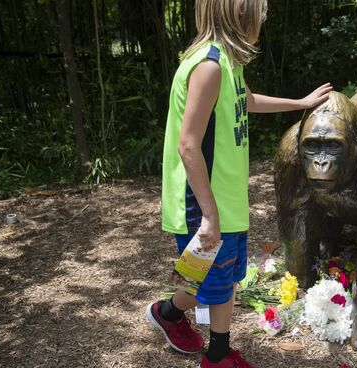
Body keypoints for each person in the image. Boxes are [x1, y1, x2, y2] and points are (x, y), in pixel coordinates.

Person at [145, 1, 332, 367]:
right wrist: (210, 214)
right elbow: (188, 144)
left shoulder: (228, 64)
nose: (263, 19)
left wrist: (300, 102)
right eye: (260, 12)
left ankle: (167, 314)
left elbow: (245, 101)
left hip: (224, 198)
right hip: (202, 202)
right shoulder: (209, 66)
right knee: (213, 283)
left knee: (219, 278)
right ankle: (218, 356)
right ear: (241, 15)